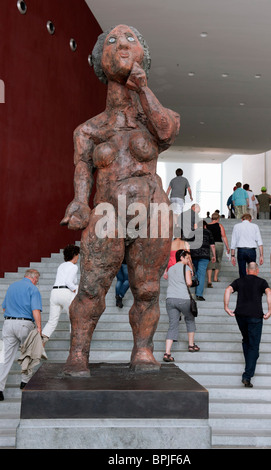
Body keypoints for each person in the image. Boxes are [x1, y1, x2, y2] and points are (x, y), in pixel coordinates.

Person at [60, 25, 180, 375]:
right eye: (112, 40)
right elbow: (82, 169)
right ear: (99, 60)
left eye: (131, 40)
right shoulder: (89, 130)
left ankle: (143, 351)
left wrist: (143, 90)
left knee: (147, 289)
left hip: (153, 211)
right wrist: (80, 202)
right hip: (108, 213)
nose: (122, 44)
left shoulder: (156, 117)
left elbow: (167, 132)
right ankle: (78, 354)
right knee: (91, 287)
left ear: (144, 55)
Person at [224, 262, 271, 388]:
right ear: (257, 270)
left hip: (240, 315)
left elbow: (228, 290)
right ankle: (247, 375)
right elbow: (269, 294)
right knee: (254, 346)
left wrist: (226, 306)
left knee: (246, 340)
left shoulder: (239, 281)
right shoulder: (262, 282)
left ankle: (251, 360)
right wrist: (270, 310)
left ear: (247, 270)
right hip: (255, 316)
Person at [0, 269, 42, 400]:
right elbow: (35, 310)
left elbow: (4, 308)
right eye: (37, 280)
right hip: (25, 324)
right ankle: (24, 382)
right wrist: (39, 327)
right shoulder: (33, 289)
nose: (37, 282)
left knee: (5, 357)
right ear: (34, 278)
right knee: (28, 353)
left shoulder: (12, 286)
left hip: (8, 323)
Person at [163, 249, 199, 363]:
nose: (188, 260)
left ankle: (167, 353)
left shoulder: (171, 268)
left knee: (173, 325)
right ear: (182, 257)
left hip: (170, 299)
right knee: (189, 319)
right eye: (187, 258)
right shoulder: (186, 268)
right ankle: (191, 345)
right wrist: (193, 279)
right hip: (183, 298)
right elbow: (189, 282)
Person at [42, 245, 80, 342]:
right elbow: (68, 282)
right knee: (74, 320)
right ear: (75, 255)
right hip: (65, 293)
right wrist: (76, 289)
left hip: (54, 293)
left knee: (51, 322)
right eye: (78, 255)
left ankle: (39, 347)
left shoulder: (61, 266)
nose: (78, 257)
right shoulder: (74, 267)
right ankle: (73, 347)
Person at [230, 213, 264, 278]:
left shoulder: (236, 226)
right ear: (250, 220)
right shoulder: (255, 226)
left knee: (242, 271)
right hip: (251, 251)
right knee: (252, 270)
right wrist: (261, 255)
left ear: (242, 219)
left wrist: (232, 256)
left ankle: (243, 286)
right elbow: (260, 242)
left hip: (241, 250)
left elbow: (233, 242)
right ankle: (251, 286)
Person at [190, 221, 216, 300]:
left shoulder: (193, 232)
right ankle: (199, 294)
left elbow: (188, 243)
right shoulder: (208, 232)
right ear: (205, 226)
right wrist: (214, 255)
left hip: (194, 255)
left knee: (198, 272)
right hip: (204, 255)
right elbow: (212, 245)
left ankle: (195, 286)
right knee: (201, 273)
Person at [206, 212, 230, 286]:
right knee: (218, 260)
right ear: (218, 219)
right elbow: (224, 236)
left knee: (210, 261)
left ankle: (209, 280)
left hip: (210, 245)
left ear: (211, 218)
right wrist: (227, 247)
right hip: (219, 244)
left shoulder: (206, 226)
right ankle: (215, 278)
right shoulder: (220, 225)